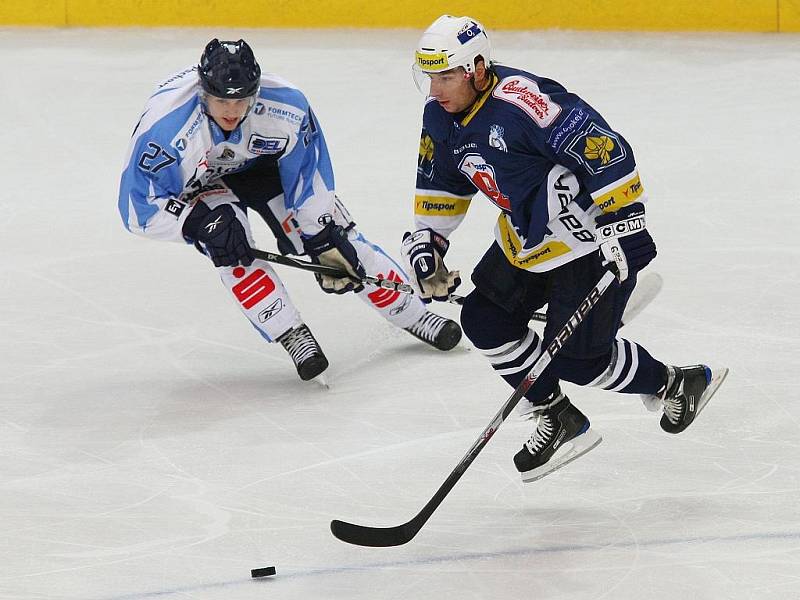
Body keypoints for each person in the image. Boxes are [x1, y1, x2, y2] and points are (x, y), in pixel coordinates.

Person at [401, 16, 728, 482]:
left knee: (578, 358)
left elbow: (603, 148)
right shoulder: (440, 115)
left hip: (590, 239)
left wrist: (622, 225)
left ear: (476, 69)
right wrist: (429, 243)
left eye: (445, 75)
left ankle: (678, 382)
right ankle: (559, 417)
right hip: (529, 238)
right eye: (429, 76)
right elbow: (442, 183)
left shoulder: (524, 104)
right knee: (483, 320)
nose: (435, 89)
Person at [119, 38, 461, 382]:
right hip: (202, 184)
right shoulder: (165, 129)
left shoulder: (287, 106)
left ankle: (414, 315)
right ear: (202, 93)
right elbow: (137, 206)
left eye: (241, 100)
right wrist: (194, 222)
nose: (231, 111)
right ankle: (291, 333)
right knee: (231, 249)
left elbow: (307, 174)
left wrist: (322, 235)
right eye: (221, 99)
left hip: (266, 170)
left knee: (339, 239)